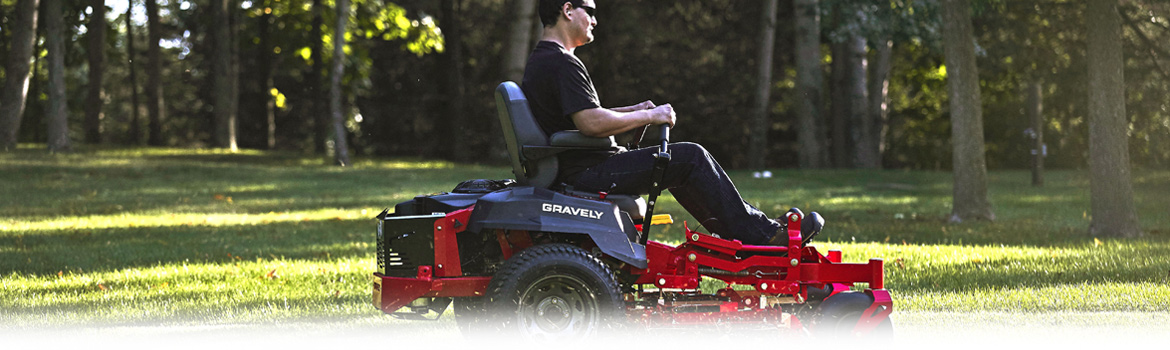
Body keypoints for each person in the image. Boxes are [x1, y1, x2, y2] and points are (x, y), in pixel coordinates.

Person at [521, 0, 783, 245]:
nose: (594, 20)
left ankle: (742, 235)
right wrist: (651, 116)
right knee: (691, 157)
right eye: (589, 11)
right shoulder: (562, 63)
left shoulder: (543, 60)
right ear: (567, 10)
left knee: (680, 164)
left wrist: (632, 111)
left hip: (576, 167)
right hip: (586, 172)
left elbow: (580, 116)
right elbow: (591, 123)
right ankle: (762, 236)